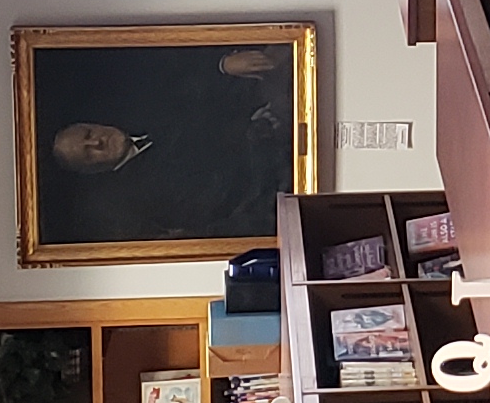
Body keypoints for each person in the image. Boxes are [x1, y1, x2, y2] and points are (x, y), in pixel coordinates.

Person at [32, 43, 298, 252]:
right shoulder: (138, 196)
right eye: (88, 152)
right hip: (269, 173)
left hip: (256, 102)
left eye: (89, 133)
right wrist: (257, 136)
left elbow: (187, 80)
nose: (97, 141)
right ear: (91, 171)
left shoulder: (139, 104)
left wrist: (222, 65)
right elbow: (221, 197)